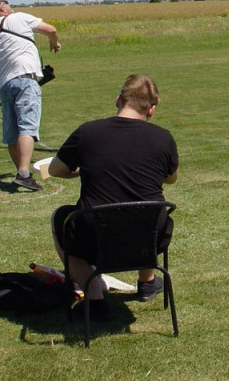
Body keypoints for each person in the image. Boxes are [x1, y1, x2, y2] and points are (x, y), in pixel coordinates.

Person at [48, 74, 179, 318]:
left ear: (118, 100)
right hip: (149, 238)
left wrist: (80, 170)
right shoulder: (163, 137)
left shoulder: (88, 132)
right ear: (151, 110)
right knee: (145, 212)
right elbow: (171, 178)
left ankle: (94, 298)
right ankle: (147, 282)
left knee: (61, 219)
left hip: (94, 236)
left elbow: (55, 169)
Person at [0, 0, 61, 191]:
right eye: (5, 3)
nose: (9, 5)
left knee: (11, 132)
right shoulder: (19, 18)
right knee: (27, 128)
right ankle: (24, 174)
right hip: (26, 79)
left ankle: (22, 173)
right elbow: (51, 29)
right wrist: (54, 43)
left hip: (4, 85)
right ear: (2, 9)